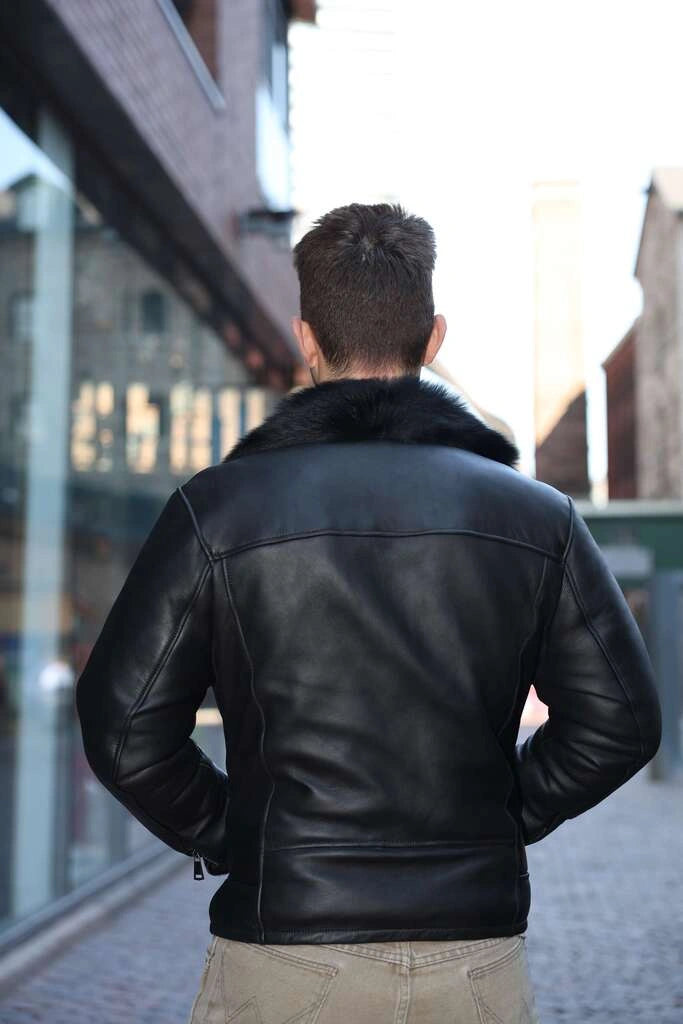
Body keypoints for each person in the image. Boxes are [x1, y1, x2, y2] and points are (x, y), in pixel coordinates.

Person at [75, 202, 662, 1024]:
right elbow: (621, 723)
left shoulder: (216, 512)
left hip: (283, 951)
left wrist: (242, 835)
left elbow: (123, 727)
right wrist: (493, 821)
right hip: (473, 955)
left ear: (306, 339)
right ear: (433, 341)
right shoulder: (539, 518)